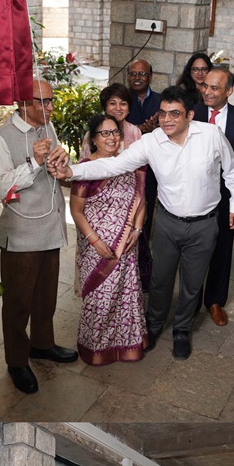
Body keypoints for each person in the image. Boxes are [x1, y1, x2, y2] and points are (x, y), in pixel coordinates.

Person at [54, 86, 234, 360]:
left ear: (190, 115)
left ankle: (181, 330)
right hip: (168, 222)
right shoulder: (151, 141)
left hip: (204, 224)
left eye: (175, 114)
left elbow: (233, 170)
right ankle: (154, 325)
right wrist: (72, 171)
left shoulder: (211, 135)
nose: (167, 120)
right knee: (160, 279)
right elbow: (112, 165)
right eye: (163, 113)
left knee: (192, 283)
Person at [0, 79, 75, 394]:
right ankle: (17, 361)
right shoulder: (2, 137)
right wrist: (33, 162)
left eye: (52, 101)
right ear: (25, 103)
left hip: (49, 227)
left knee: (45, 296)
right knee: (18, 303)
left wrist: (60, 162)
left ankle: (42, 344)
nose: (51, 108)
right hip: (22, 234)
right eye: (45, 102)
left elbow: (52, 169)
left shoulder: (46, 129)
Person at [70, 113, 146, 364]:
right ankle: (96, 348)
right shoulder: (85, 168)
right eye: (105, 133)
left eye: (115, 132)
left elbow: (141, 200)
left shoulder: (128, 164)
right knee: (100, 298)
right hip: (98, 246)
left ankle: (126, 344)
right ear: (93, 139)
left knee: (126, 295)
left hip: (127, 243)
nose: (112, 138)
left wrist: (136, 229)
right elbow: (77, 211)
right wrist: (95, 240)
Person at [198, 66, 234, 324]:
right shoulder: (190, 113)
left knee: (222, 250)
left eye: (214, 88)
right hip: (194, 196)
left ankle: (214, 301)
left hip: (227, 200)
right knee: (194, 251)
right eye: (205, 86)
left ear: (229, 91)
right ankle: (189, 301)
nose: (207, 92)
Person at [79, 84, 142, 158]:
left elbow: (140, 162)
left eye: (123, 104)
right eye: (112, 103)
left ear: (128, 109)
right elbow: (84, 164)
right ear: (105, 107)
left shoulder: (135, 132)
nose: (118, 108)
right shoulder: (93, 133)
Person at [126, 59, 162, 127]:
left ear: (150, 76)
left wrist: (156, 130)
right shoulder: (121, 99)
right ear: (128, 76)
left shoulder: (161, 101)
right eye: (132, 73)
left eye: (142, 74)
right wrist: (140, 128)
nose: (137, 77)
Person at [178, 52, 213, 118]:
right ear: (189, 71)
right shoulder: (182, 91)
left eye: (204, 69)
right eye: (195, 69)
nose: (200, 73)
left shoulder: (214, 90)